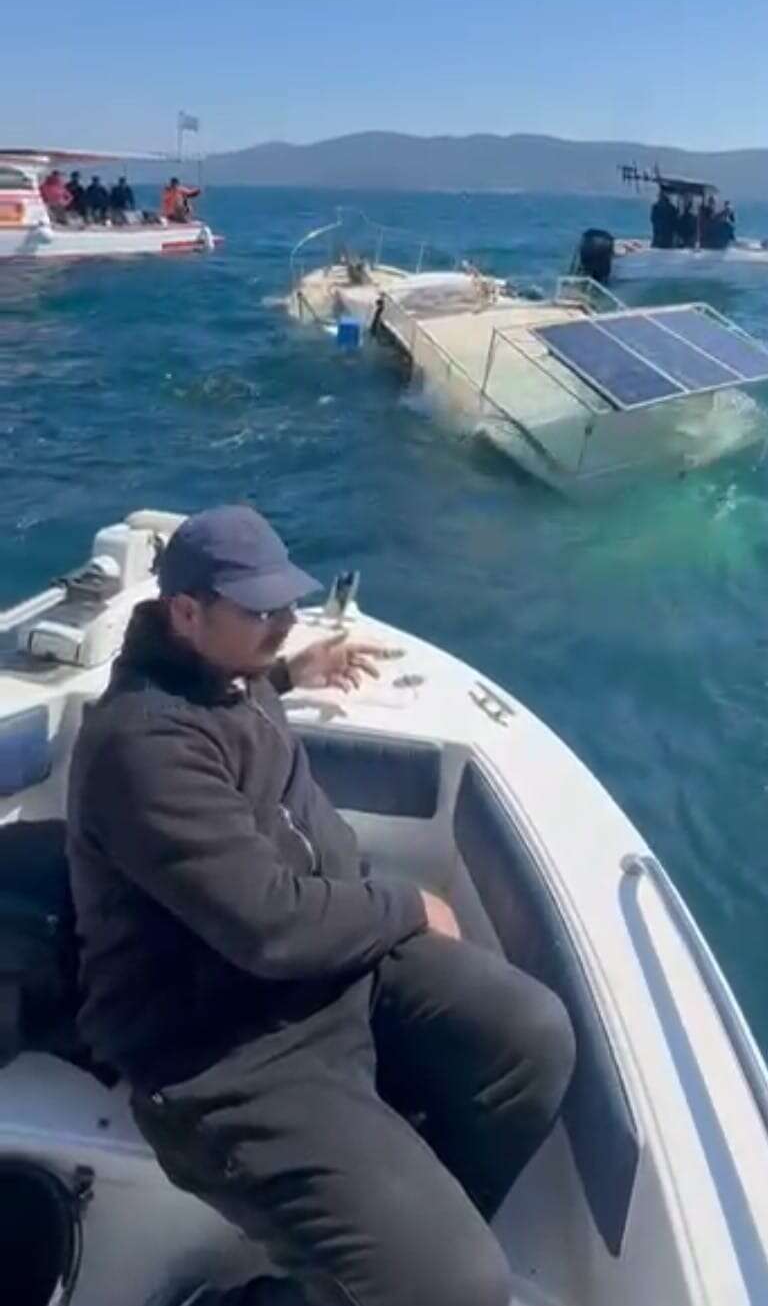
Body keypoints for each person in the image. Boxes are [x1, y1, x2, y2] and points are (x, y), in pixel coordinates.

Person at [67, 505, 576, 1306]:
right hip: (225, 1051)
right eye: (261, 610)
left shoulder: (224, 675)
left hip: (327, 978)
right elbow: (268, 926)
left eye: (287, 605)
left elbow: (229, 702)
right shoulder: (140, 748)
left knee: (529, 1041)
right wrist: (406, 902)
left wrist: (286, 669)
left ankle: (370, 1268)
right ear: (187, 612)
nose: (284, 621)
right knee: (458, 1285)